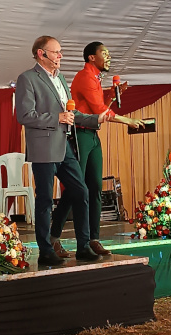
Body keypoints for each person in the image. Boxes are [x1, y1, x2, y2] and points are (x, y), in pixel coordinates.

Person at [15, 36, 111, 266]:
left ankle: (84, 246)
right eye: (56, 52)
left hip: (65, 145)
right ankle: (46, 250)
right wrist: (55, 118)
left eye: (60, 52)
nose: (60, 56)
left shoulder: (61, 79)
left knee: (81, 191)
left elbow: (72, 113)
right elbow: (25, 115)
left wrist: (95, 118)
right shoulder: (28, 79)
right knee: (45, 200)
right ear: (41, 53)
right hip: (44, 147)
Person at [50, 41, 148, 258]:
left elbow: (100, 108)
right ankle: (53, 237)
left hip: (92, 135)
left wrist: (113, 95)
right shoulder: (84, 77)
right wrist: (126, 120)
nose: (109, 57)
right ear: (91, 58)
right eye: (104, 53)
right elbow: (98, 110)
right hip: (80, 135)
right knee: (75, 188)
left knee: (95, 187)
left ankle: (93, 239)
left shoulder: (95, 78)